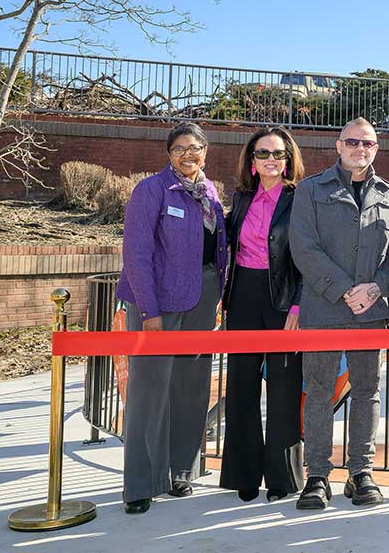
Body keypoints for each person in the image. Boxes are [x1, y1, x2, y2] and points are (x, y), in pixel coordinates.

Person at [289, 118, 389, 510]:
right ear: (338, 146)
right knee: (318, 392)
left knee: (367, 392)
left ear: (376, 148)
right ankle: (317, 475)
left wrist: (377, 287)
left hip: (370, 312)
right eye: (352, 142)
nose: (360, 148)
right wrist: (343, 290)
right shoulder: (310, 190)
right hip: (324, 308)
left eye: (367, 143)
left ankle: (361, 473)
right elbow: (303, 247)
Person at [116, 122, 226, 514]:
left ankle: (182, 471)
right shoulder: (151, 190)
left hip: (201, 301)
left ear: (206, 152)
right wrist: (149, 311)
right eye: (179, 148)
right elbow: (136, 254)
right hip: (158, 305)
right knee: (148, 391)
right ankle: (141, 484)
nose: (188, 154)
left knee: (191, 387)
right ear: (168, 153)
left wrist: (219, 298)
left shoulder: (210, 192)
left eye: (195, 148)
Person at [219, 127, 306, 503]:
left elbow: (305, 256)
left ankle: (282, 477)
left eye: (278, 153)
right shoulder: (239, 200)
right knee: (241, 385)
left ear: (288, 160)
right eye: (263, 153)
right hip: (242, 298)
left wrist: (300, 304)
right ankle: (244, 472)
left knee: (285, 388)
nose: (271, 159)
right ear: (251, 161)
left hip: (283, 299)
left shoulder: (301, 199)